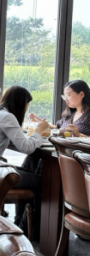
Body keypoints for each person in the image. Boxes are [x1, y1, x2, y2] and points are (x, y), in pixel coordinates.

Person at [16, 79, 90, 237]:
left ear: (82, 94)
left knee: (40, 167)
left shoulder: (88, 115)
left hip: (78, 163)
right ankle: (24, 223)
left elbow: (83, 137)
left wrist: (79, 135)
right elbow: (59, 128)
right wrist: (43, 124)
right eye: (65, 97)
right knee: (34, 156)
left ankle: (33, 225)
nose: (67, 99)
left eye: (69, 95)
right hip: (61, 156)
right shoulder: (70, 114)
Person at [0, 86, 49, 161]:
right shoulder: (6, 117)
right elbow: (26, 148)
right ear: (22, 104)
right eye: (27, 104)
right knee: (36, 170)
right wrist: (39, 130)